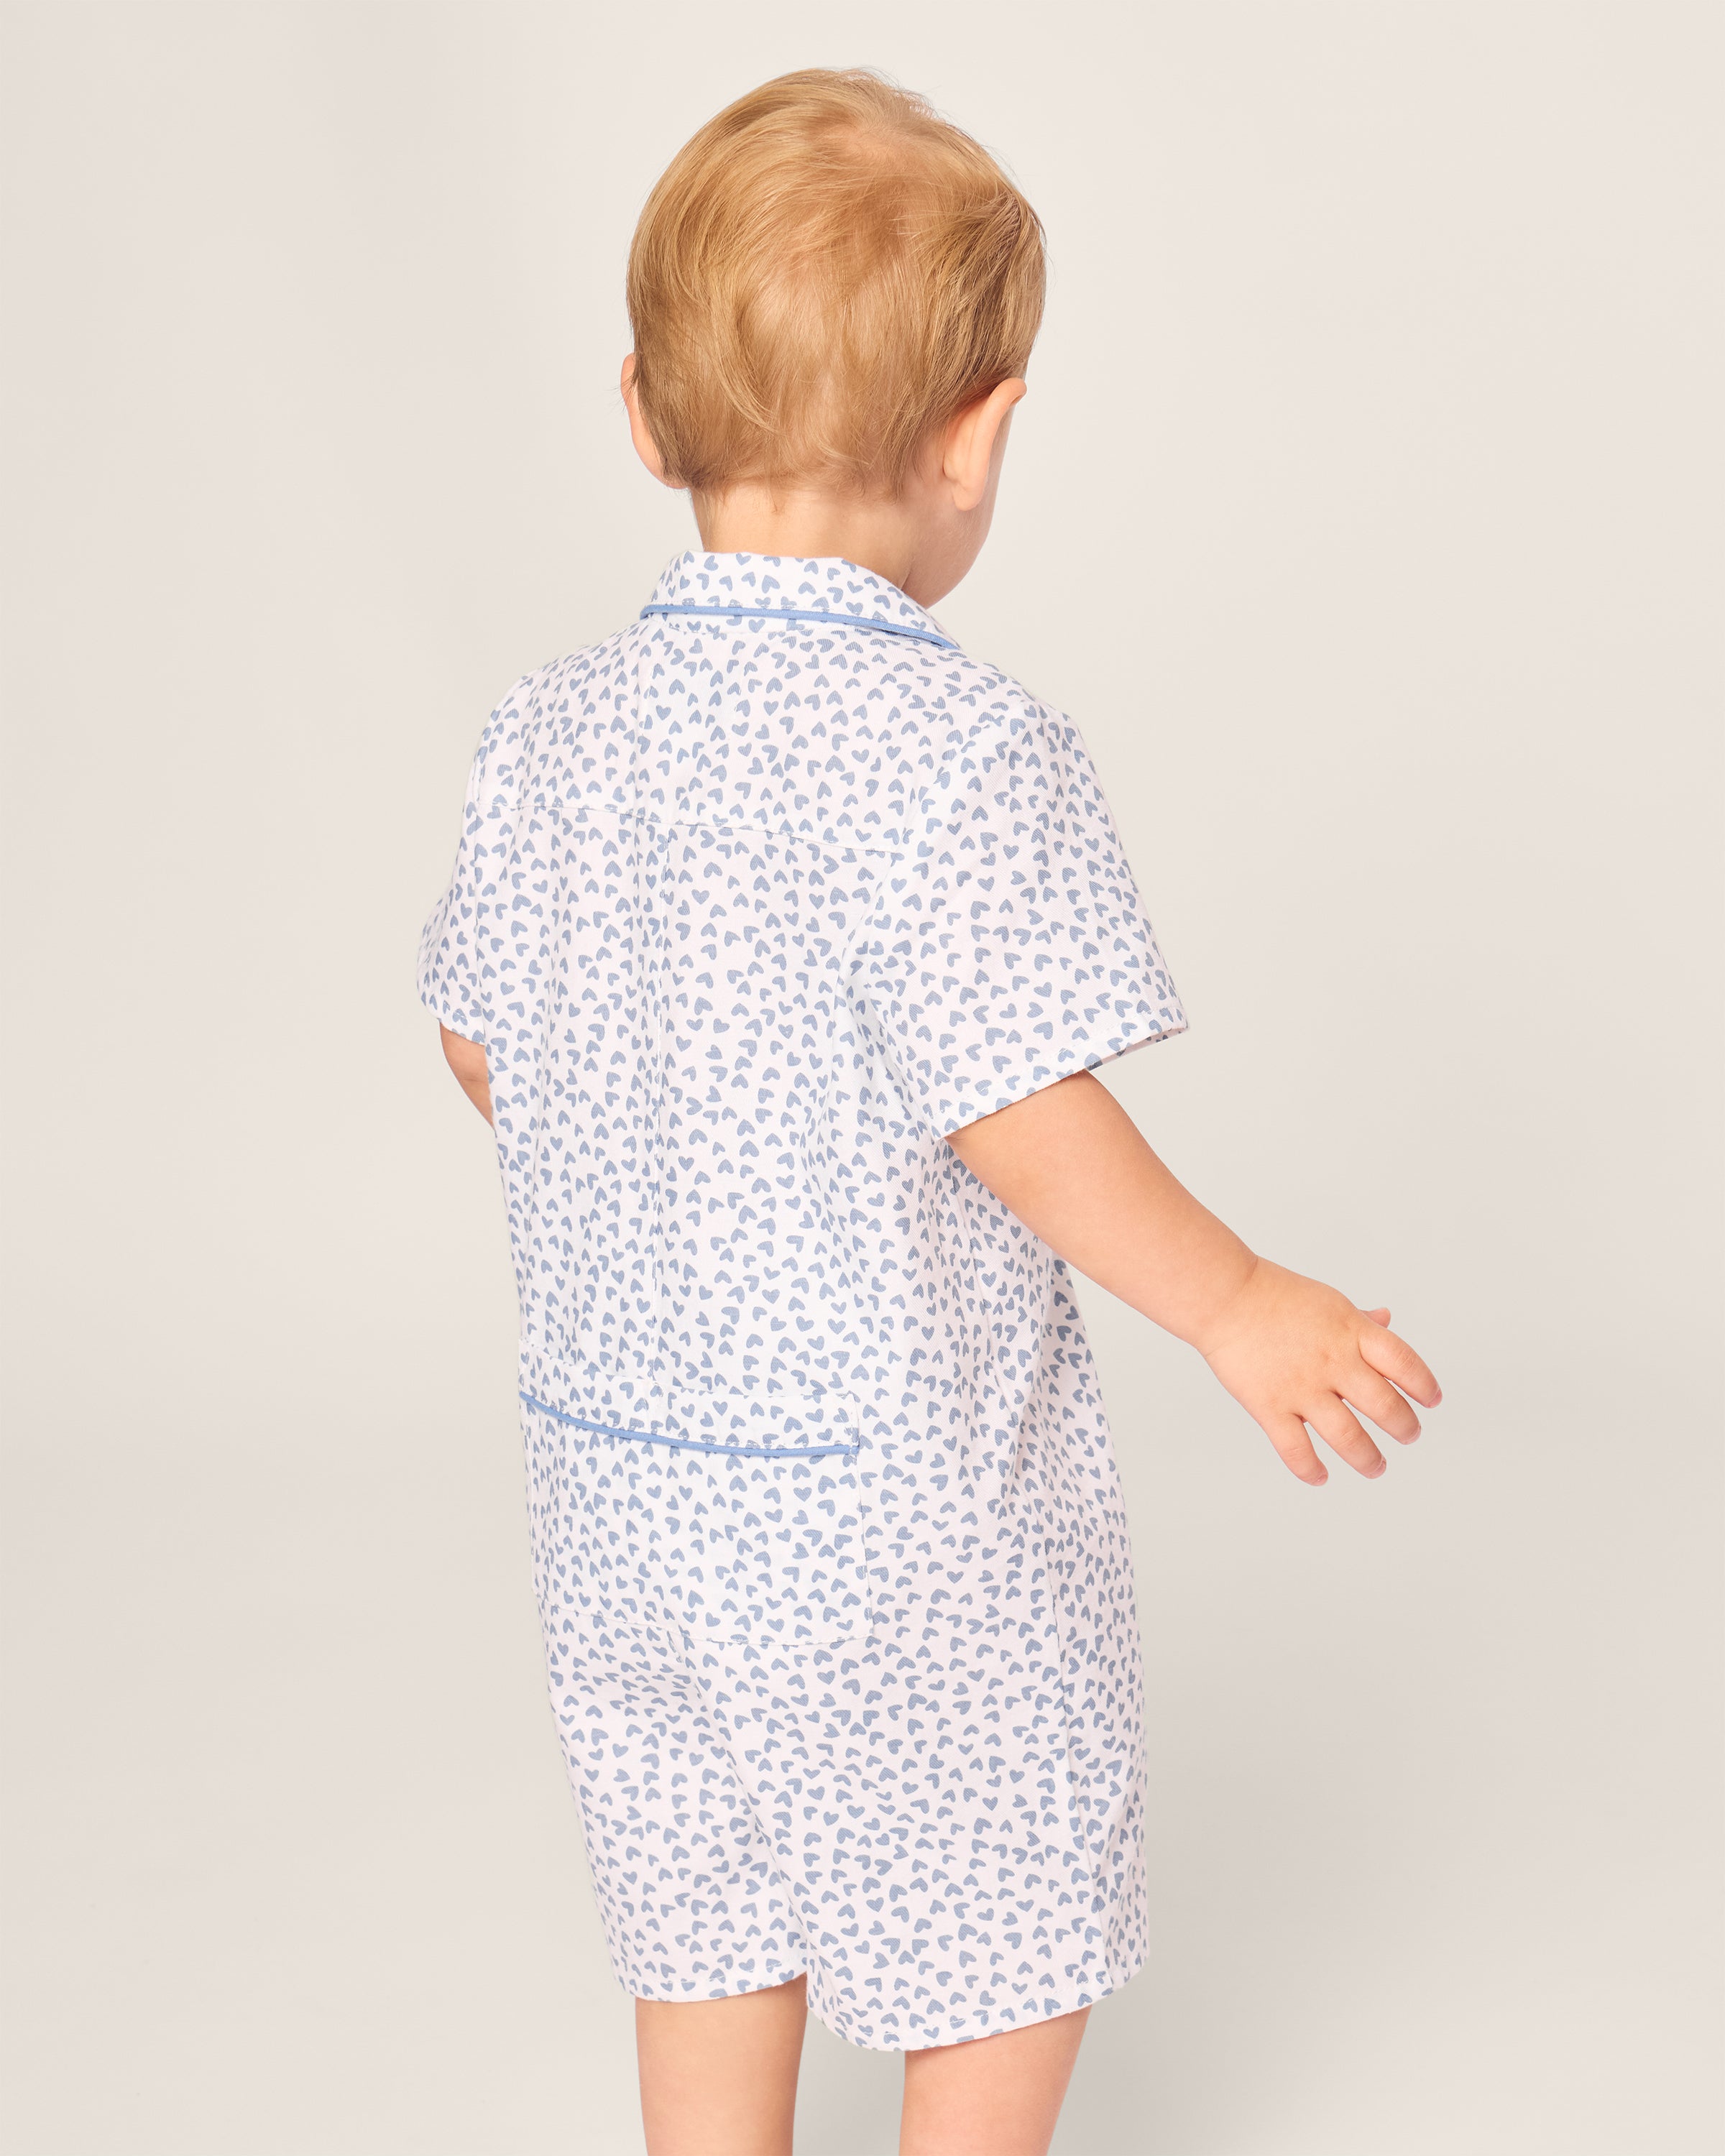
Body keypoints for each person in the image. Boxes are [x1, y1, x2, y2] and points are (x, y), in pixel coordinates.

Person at [417, 67, 1440, 2156]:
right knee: (996, 1916)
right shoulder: (963, 756)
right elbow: (1014, 1105)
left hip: (620, 1505)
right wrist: (1238, 1297)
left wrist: (678, 1126)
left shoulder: (552, 735)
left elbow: (484, 1050)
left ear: (638, 410)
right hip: (896, 1522)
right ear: (982, 433)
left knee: (703, 1901)